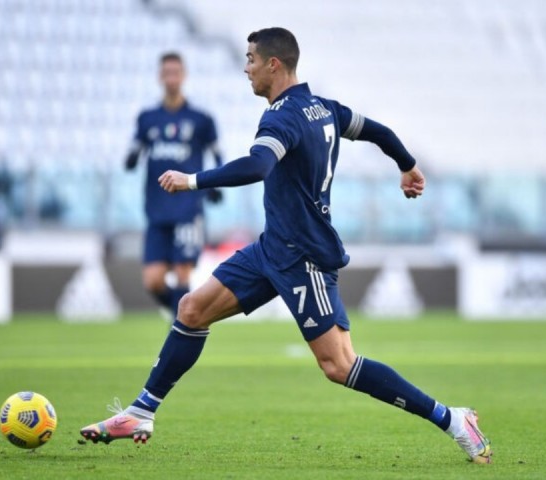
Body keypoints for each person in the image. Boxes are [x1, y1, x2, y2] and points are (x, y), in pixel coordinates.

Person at [81, 28, 492, 464]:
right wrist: (407, 166)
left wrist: (192, 180)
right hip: (272, 248)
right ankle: (142, 411)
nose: (246, 68)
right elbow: (378, 131)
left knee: (339, 366)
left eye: (251, 59)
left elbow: (259, 165)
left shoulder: (283, 117)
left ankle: (452, 419)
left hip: (304, 258)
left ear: (273, 65)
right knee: (190, 310)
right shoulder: (324, 108)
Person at [124, 52, 224, 319]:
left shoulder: (201, 119)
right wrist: (131, 158)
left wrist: (216, 184)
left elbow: (217, 154)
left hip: (187, 208)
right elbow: (134, 150)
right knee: (153, 281)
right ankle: (189, 318)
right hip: (156, 210)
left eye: (175, 72)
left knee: (182, 273)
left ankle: (180, 332)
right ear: (160, 76)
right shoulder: (148, 118)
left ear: (183, 75)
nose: (171, 78)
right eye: (166, 72)